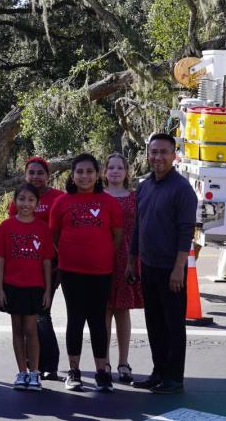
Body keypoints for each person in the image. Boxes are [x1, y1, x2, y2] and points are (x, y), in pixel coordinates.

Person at [128, 133, 197, 395]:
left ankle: (174, 377)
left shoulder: (182, 189)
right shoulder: (145, 186)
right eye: (153, 152)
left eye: (163, 152)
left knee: (173, 325)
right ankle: (159, 371)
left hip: (171, 270)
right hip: (148, 267)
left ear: (174, 155)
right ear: (148, 154)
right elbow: (138, 227)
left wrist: (179, 268)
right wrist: (132, 260)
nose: (158, 157)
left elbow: (185, 231)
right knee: (154, 323)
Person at [50, 153, 123, 393]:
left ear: (97, 174)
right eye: (79, 172)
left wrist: (101, 254)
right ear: (72, 175)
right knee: (76, 319)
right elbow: (55, 236)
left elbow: (117, 235)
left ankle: (103, 372)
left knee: (98, 322)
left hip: (101, 271)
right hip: (71, 271)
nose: (84, 176)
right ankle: (74, 371)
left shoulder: (108, 201)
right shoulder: (62, 202)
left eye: (89, 171)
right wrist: (70, 255)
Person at [0, 183, 55, 391]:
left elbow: (47, 261)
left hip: (34, 286)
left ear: (37, 203)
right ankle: (22, 372)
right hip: (12, 286)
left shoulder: (42, 228)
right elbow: (1, 259)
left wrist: (47, 290)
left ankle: (34, 372)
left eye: (30, 200)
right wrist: (0, 289)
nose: (25, 203)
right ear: (14, 201)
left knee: (31, 329)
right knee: (17, 329)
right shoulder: (6, 226)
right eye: (21, 199)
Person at [7, 156, 62, 380]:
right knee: (25, 318)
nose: (36, 177)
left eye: (40, 173)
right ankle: (29, 362)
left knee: (41, 314)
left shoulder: (59, 198)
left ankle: (49, 363)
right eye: (32, 172)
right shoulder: (20, 198)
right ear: (25, 174)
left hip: (50, 264)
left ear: (48, 176)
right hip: (23, 266)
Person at [103, 152, 142, 384]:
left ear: (127, 172)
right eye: (111, 168)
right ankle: (104, 361)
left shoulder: (134, 197)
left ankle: (124, 362)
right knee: (104, 310)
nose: (115, 171)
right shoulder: (99, 196)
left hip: (128, 258)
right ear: (104, 172)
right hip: (103, 258)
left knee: (123, 311)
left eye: (120, 167)